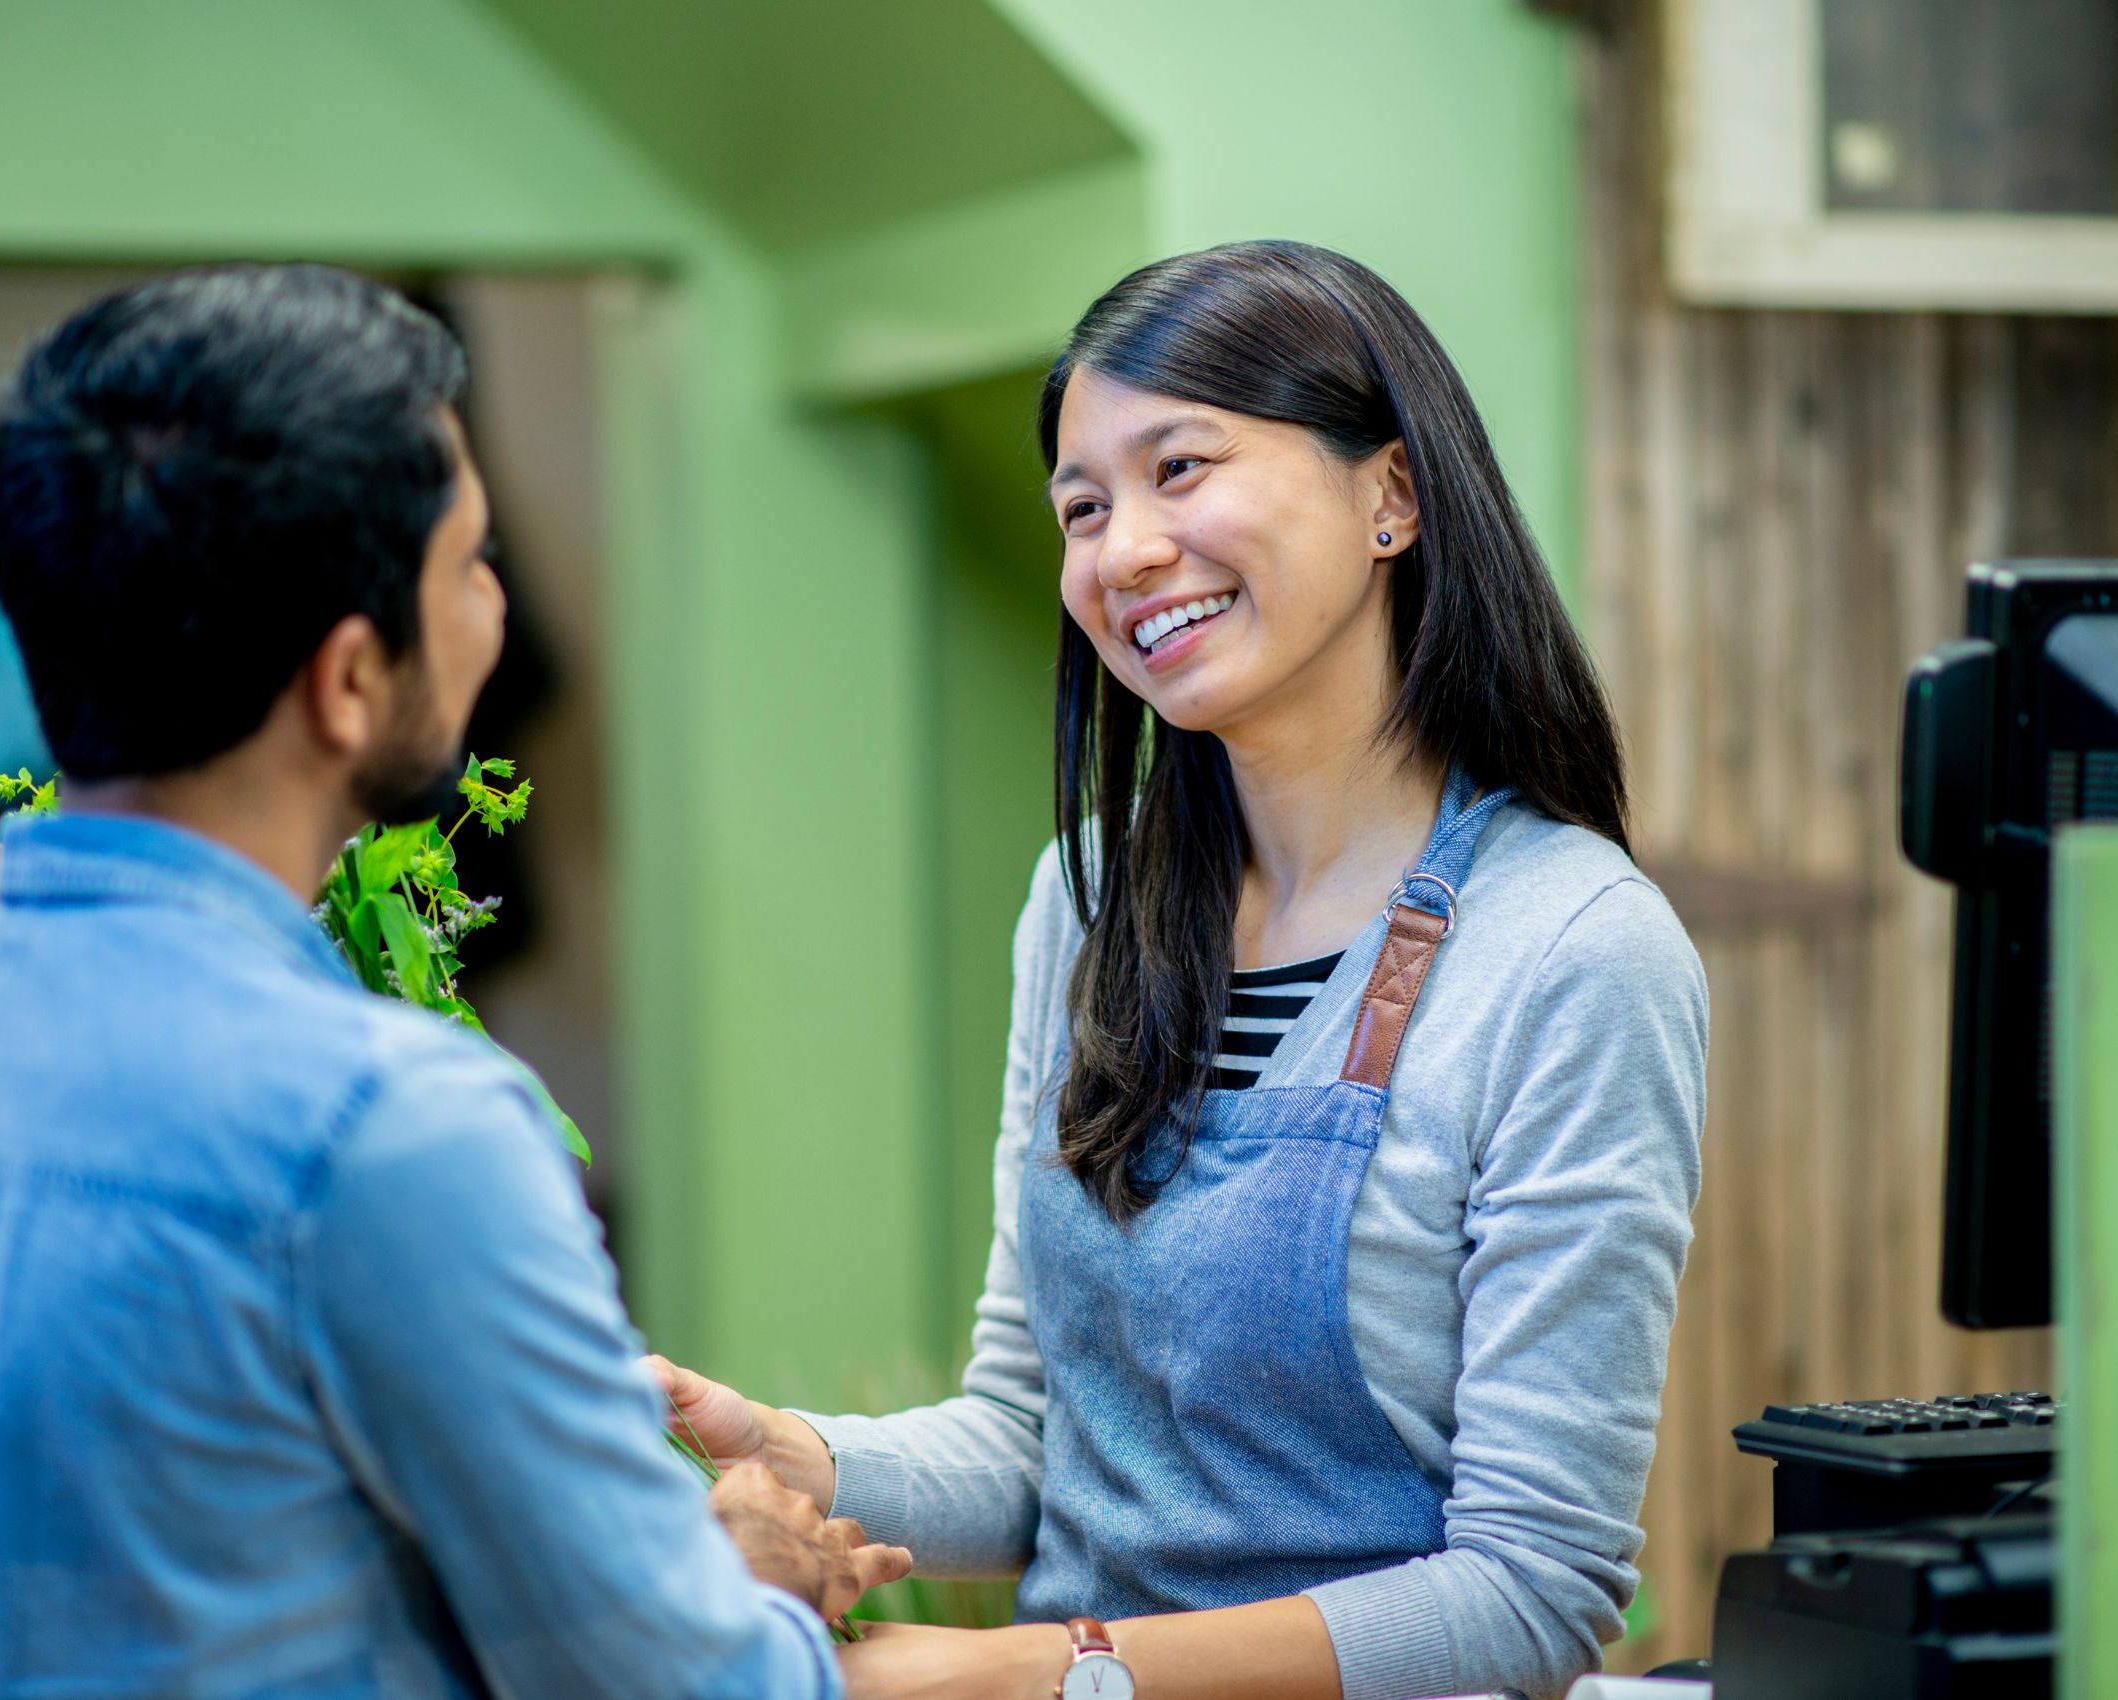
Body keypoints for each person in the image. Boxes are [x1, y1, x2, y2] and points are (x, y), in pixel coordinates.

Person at [0, 264, 907, 1699]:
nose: (498, 613)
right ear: (349, 679)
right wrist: (749, 1583)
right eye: (473, 562)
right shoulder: (386, 1129)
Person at [651, 241, 1707, 1700]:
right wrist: (798, 1454)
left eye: (1182, 468)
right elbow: (1036, 1439)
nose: (1122, 549)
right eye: (1082, 508)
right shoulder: (1091, 905)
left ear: (1390, 493)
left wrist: (1056, 1671)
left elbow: (1533, 1594)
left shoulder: (1573, 950)